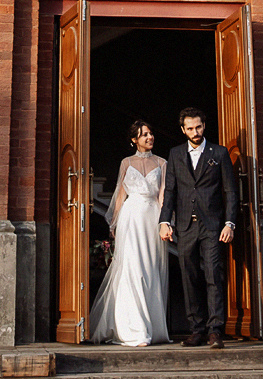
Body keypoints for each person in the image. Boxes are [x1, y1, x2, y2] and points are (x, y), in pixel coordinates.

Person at [159, 107, 238, 349]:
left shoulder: (220, 153)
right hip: (184, 225)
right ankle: (196, 330)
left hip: (213, 226)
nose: (195, 132)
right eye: (190, 128)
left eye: (199, 127)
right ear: (183, 130)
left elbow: (230, 191)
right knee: (189, 276)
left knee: (213, 275)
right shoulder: (175, 154)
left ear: (204, 126)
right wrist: (164, 221)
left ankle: (215, 331)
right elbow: (170, 190)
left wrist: (230, 223)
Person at [89, 120, 170, 347]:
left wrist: (166, 222)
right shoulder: (126, 162)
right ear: (134, 139)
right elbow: (120, 192)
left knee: (150, 270)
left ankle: (151, 326)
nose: (149, 137)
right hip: (131, 217)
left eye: (151, 133)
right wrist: (113, 224)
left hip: (152, 217)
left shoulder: (162, 163)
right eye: (144, 134)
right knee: (132, 269)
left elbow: (163, 195)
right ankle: (133, 329)